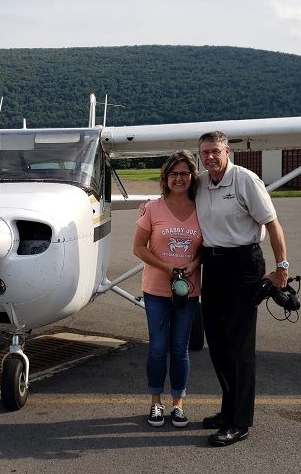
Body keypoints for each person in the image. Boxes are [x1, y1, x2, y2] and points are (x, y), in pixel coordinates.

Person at [195, 131, 289, 447]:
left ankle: (239, 422)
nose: (209, 157)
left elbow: (273, 224)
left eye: (215, 151)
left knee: (240, 344)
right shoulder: (202, 182)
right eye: (204, 152)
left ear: (227, 152)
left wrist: (282, 268)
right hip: (213, 264)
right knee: (217, 340)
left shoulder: (245, 180)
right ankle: (227, 410)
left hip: (243, 264)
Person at [132, 150, 203, 428]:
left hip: (189, 291)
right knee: (158, 347)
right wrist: (166, 268)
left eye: (185, 173)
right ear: (166, 177)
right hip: (157, 290)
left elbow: (207, 249)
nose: (179, 178)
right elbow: (138, 248)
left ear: (192, 177)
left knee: (180, 348)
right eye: (174, 173)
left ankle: (178, 403)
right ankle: (155, 402)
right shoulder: (152, 208)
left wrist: (194, 264)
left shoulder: (202, 209)